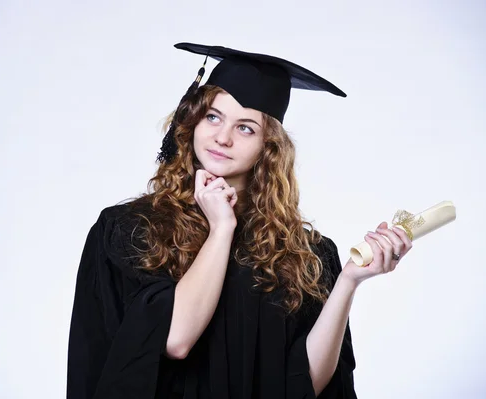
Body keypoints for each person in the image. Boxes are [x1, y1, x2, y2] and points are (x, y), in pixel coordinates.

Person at [66, 43, 413, 399]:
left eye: (246, 128)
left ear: (268, 146)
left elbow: (306, 384)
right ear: (192, 122)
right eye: (213, 117)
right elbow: (175, 340)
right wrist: (221, 228)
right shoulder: (132, 229)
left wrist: (348, 282)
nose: (223, 137)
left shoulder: (307, 253)